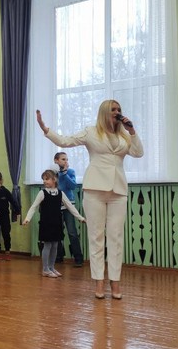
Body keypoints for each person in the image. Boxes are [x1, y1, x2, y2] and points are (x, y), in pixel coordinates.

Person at [36, 100, 143, 299]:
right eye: (113, 110)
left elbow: (138, 153)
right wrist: (45, 129)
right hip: (94, 190)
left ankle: (115, 282)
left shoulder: (124, 135)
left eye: (119, 109)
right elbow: (65, 141)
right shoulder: (91, 132)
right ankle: (99, 281)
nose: (117, 112)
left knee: (116, 237)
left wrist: (132, 131)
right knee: (96, 237)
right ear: (104, 112)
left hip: (118, 190)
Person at [23, 169, 86, 278]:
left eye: (47, 179)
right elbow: (34, 207)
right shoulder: (42, 193)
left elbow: (70, 206)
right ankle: (45, 269)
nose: (44, 181)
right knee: (47, 245)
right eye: (43, 179)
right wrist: (27, 218)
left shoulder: (60, 193)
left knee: (55, 245)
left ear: (54, 179)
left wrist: (80, 217)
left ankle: (51, 267)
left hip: (56, 223)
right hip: (46, 223)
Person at [54, 152, 84, 268]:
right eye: (63, 159)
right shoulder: (53, 173)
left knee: (72, 232)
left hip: (68, 205)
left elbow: (72, 186)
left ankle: (78, 259)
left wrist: (65, 174)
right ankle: (58, 257)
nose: (65, 161)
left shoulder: (70, 172)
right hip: (56, 205)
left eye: (66, 159)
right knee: (57, 232)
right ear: (56, 160)